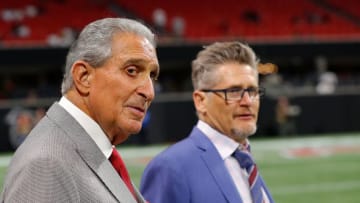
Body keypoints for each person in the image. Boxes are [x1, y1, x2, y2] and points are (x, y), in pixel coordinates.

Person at [1, 17, 159, 203]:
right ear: (84, 77)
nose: (149, 92)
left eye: (152, 75)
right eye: (132, 71)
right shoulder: (46, 164)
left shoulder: (90, 151)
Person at [141, 42, 274, 203]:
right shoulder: (170, 168)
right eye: (233, 91)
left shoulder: (245, 161)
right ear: (201, 101)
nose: (247, 101)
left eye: (252, 91)